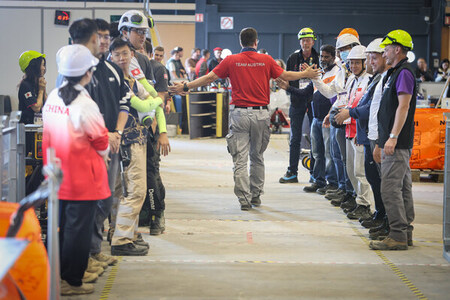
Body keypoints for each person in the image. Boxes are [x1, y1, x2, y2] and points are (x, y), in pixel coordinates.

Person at [169, 27, 320, 210]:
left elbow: (209, 78)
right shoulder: (266, 59)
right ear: (256, 42)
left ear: (241, 43)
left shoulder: (231, 60)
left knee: (240, 159)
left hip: (239, 114)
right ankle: (255, 195)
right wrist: (306, 74)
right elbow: (286, 76)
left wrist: (186, 86)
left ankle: (244, 200)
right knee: (257, 157)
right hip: (261, 114)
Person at [43, 44, 109, 295]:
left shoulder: (52, 96)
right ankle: (71, 281)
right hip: (83, 179)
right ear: (88, 73)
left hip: (57, 175)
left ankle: (56, 277)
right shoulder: (85, 103)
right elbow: (101, 141)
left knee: (58, 229)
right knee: (78, 233)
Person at [109, 38, 164, 255]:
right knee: (135, 191)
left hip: (131, 140)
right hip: (125, 141)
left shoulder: (133, 80)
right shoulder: (116, 82)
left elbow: (150, 99)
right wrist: (158, 101)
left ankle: (123, 233)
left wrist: (156, 106)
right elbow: (146, 103)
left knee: (122, 191)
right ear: (111, 57)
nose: (122, 58)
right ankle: (122, 239)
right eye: (117, 55)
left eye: (125, 53)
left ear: (132, 54)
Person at [370, 30, 417, 251]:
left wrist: (392, 137)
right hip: (392, 141)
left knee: (389, 188)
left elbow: (403, 106)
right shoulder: (394, 73)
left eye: (387, 49)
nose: (384, 53)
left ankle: (397, 235)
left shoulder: (404, 73)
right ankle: (405, 232)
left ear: (397, 49)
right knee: (402, 187)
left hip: (396, 143)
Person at [334, 39, 386, 223]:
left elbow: (367, 108)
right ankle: (359, 200)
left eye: (357, 62)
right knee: (351, 169)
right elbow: (347, 101)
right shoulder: (352, 81)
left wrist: (359, 130)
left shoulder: (369, 81)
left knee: (361, 172)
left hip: (361, 132)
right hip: (350, 129)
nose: (354, 66)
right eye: (351, 63)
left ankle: (365, 205)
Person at [280, 27, 319, 184]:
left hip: (314, 101)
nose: (306, 43)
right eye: (303, 40)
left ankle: (315, 174)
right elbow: (288, 77)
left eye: (308, 40)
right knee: (294, 138)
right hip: (297, 100)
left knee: (316, 137)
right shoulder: (293, 58)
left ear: (313, 41)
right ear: (300, 42)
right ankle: (292, 172)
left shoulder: (318, 57)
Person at [18, 50, 47, 156]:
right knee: (30, 162)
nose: (44, 68)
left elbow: (45, 104)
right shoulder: (25, 85)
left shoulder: (37, 83)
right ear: (34, 66)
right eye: (42, 65)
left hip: (38, 130)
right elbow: (36, 107)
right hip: (28, 132)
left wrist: (43, 89)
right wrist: (41, 90)